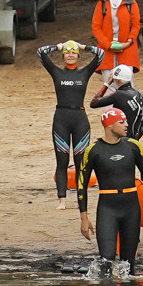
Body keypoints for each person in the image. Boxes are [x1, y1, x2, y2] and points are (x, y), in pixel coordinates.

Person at [75, 105, 143, 282]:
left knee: (129, 263)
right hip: (107, 208)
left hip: (131, 207)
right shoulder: (93, 150)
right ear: (109, 125)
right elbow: (81, 185)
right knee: (106, 259)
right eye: (122, 121)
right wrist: (84, 217)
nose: (126, 125)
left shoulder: (133, 146)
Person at [41, 38, 104, 206]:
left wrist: (83, 46)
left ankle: (80, 199)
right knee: (61, 162)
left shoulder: (84, 72)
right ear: (63, 56)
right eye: (67, 53)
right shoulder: (56, 72)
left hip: (80, 120)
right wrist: (57, 46)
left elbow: (101, 54)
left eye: (73, 53)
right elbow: (41, 53)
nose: (70, 55)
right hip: (61, 119)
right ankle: (62, 200)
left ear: (78, 55)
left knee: (80, 163)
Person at [91, 0, 142, 72]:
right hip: (106, 50)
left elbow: (136, 24)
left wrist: (129, 42)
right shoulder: (102, 3)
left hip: (127, 49)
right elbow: (96, 27)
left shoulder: (130, 2)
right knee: (109, 84)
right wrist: (108, 45)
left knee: (126, 82)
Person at [89, 61, 143, 140]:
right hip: (133, 141)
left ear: (117, 80)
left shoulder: (119, 95)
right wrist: (134, 142)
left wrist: (106, 84)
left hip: (120, 141)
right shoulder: (141, 96)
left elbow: (94, 103)